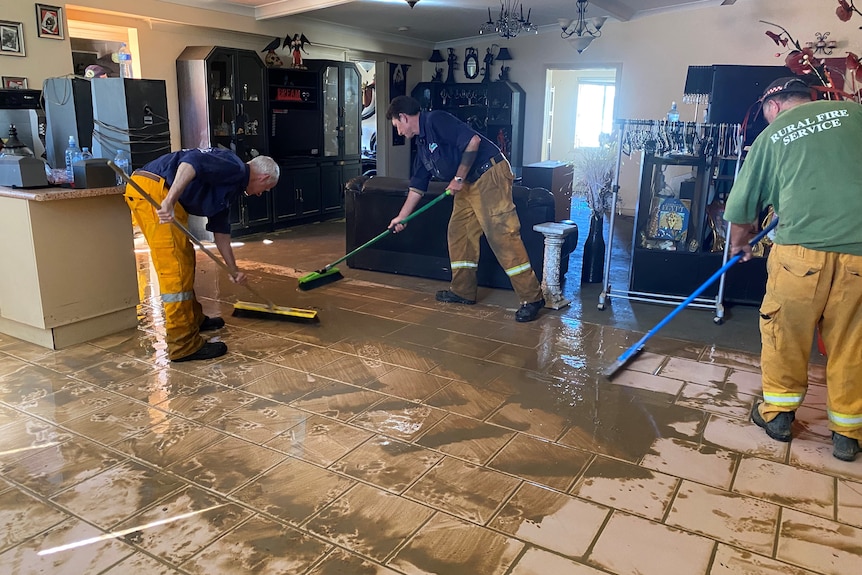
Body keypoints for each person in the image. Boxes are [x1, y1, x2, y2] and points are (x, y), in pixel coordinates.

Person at [724, 77, 862, 462]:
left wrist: (739, 243)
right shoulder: (856, 114)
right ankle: (848, 434)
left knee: (786, 333)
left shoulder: (774, 135)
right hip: (860, 256)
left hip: (801, 255)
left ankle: (779, 416)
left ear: (773, 107)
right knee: (854, 343)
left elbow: (740, 207)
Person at [385, 95, 545, 322]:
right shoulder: (422, 145)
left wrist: (458, 178)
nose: (398, 132)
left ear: (403, 117)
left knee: (502, 235)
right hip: (468, 184)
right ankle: (463, 291)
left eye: (396, 126)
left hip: (489, 174)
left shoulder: (435, 120)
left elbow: (473, 141)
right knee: (459, 232)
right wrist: (402, 217)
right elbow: (417, 187)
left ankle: (532, 297)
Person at [125, 149, 279, 362]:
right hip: (156, 191)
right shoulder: (233, 166)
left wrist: (233, 270)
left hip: (161, 192)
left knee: (185, 259)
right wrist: (169, 200)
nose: (261, 193)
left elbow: (221, 233)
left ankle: (193, 319)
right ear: (263, 177)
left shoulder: (231, 186)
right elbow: (192, 161)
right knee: (175, 269)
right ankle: (182, 344)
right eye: (266, 188)